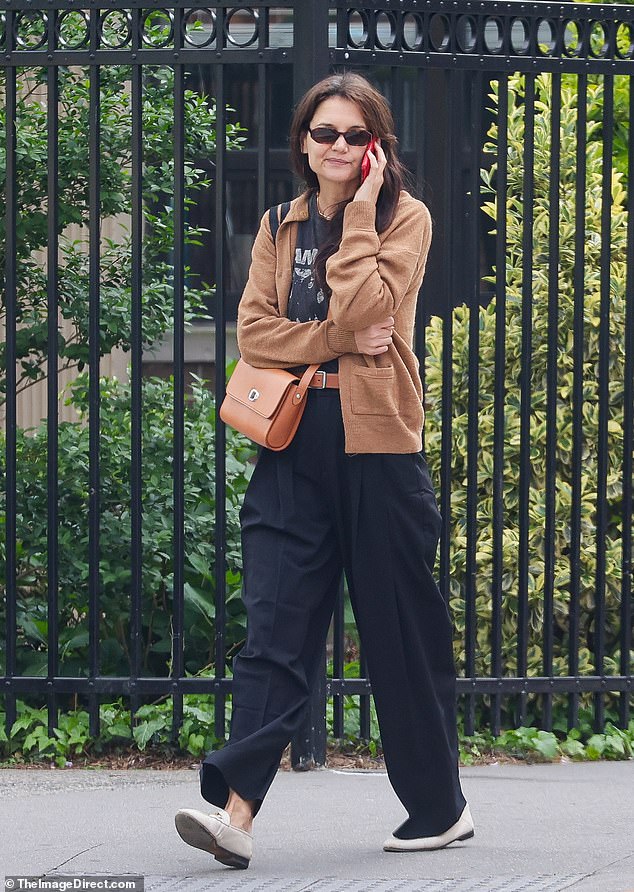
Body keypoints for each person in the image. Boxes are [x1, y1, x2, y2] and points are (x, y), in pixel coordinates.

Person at [175, 71, 473, 869]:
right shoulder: (280, 223)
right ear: (303, 142)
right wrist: (334, 340)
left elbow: (371, 311)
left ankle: (441, 808)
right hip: (293, 440)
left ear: (376, 145)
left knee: (400, 634)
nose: (337, 147)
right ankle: (235, 814)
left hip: (379, 448)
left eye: (353, 135)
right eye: (323, 133)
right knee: (274, 626)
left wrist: (364, 219)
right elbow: (255, 334)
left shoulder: (407, 218)